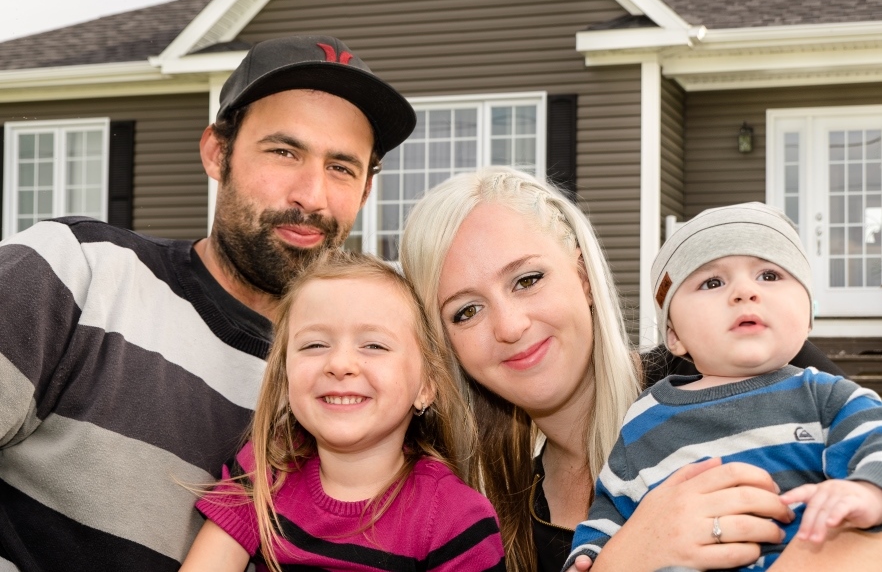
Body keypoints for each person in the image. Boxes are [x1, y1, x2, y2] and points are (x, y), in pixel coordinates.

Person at [0, 35, 415, 571]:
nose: (311, 195)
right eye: (284, 152)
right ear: (218, 153)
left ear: (365, 191)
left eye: (341, 167)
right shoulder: (77, 272)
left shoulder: (358, 385)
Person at [399, 167, 882, 572]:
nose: (510, 325)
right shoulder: (494, 515)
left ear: (583, 277)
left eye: (528, 279)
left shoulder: (728, 362)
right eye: (466, 311)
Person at [565, 202, 882, 571]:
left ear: (808, 315)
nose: (745, 291)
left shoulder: (823, 397)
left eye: (769, 275)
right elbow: (612, 506)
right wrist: (589, 555)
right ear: (675, 335)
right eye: (712, 282)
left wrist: (867, 490)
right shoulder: (644, 418)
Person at [180, 250, 505, 572]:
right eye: (315, 345)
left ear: (425, 387)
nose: (339, 365)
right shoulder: (265, 471)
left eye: (374, 345)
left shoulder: (456, 520)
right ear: (284, 375)